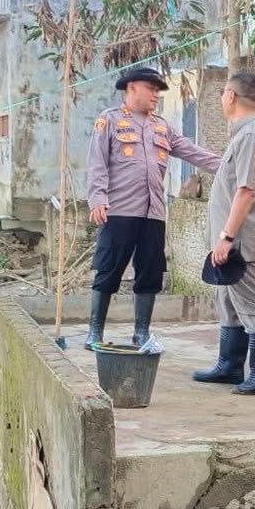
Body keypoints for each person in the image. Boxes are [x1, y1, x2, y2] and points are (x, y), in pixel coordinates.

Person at [85, 66, 221, 349]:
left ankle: (141, 333)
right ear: (132, 88)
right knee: (108, 270)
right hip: (119, 210)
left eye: (158, 90)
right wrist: (97, 198)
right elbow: (96, 164)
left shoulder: (162, 126)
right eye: (152, 89)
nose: (156, 95)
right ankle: (94, 333)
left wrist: (229, 164)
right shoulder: (109, 121)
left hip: (153, 214)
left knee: (150, 272)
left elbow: (191, 151)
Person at [192, 71, 255, 394]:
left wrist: (226, 237)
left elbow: (247, 191)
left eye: (223, 92)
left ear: (231, 96)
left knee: (251, 306)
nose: (222, 98)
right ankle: (229, 364)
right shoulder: (241, 135)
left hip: (238, 241)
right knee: (228, 301)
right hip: (227, 239)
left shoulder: (251, 135)